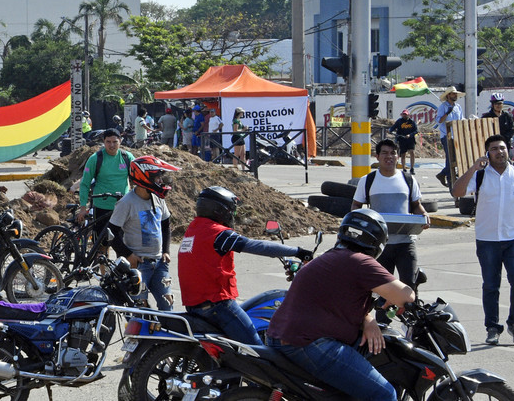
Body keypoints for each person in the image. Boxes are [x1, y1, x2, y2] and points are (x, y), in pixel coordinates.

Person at [266, 209, 416, 401]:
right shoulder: (361, 262)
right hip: (309, 343)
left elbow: (335, 299)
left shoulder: (331, 256)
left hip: (283, 336)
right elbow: (406, 297)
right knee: (384, 394)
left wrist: (368, 319)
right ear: (378, 242)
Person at [178, 187, 312, 344]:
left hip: (195, 305)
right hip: (217, 305)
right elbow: (257, 246)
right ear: (220, 210)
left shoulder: (193, 229)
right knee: (256, 349)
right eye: (231, 211)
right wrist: (297, 251)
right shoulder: (218, 234)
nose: (232, 215)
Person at [452, 134, 514, 345]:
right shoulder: (481, 176)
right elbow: (456, 191)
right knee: (491, 285)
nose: (499, 152)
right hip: (487, 240)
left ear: (508, 149)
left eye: (502, 148)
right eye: (494, 149)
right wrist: (473, 168)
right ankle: (492, 328)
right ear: (487, 153)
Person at [352, 139, 428, 284]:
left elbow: (416, 205)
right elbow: (356, 205)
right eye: (385, 153)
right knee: (382, 289)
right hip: (378, 246)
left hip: (405, 243)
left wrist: (424, 215)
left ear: (398, 156)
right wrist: (361, 223)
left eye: (393, 153)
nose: (389, 156)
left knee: (409, 288)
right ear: (377, 156)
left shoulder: (408, 179)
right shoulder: (367, 180)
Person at [109, 155, 179, 310]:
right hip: (138, 266)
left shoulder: (158, 199)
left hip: (159, 264)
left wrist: (166, 251)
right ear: (143, 178)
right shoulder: (126, 203)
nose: (160, 182)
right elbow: (111, 233)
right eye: (157, 178)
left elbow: (166, 224)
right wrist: (128, 254)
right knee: (139, 311)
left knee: (168, 307)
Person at [77, 129, 135, 230]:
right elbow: (85, 184)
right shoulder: (95, 158)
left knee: (122, 241)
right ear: (104, 141)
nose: (111, 145)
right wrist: (82, 207)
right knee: (101, 242)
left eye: (115, 142)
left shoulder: (127, 157)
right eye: (108, 142)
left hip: (122, 207)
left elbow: (138, 179)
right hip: (101, 207)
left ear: (120, 141)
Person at [435, 86, 465, 189]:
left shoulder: (458, 107)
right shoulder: (442, 107)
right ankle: (448, 178)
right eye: (453, 94)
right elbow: (439, 120)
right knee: (450, 158)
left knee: (457, 158)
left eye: (456, 94)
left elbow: (460, 120)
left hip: (457, 135)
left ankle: (444, 174)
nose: (455, 95)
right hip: (446, 136)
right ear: (448, 95)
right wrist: (447, 112)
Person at [389, 109, 418, 174]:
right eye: (403, 114)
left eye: (406, 114)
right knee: (403, 154)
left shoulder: (412, 122)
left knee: (412, 152)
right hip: (402, 139)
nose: (404, 116)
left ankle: (412, 168)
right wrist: (390, 130)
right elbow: (393, 127)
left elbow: (416, 131)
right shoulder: (399, 121)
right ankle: (404, 168)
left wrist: (410, 135)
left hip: (410, 139)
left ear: (408, 115)